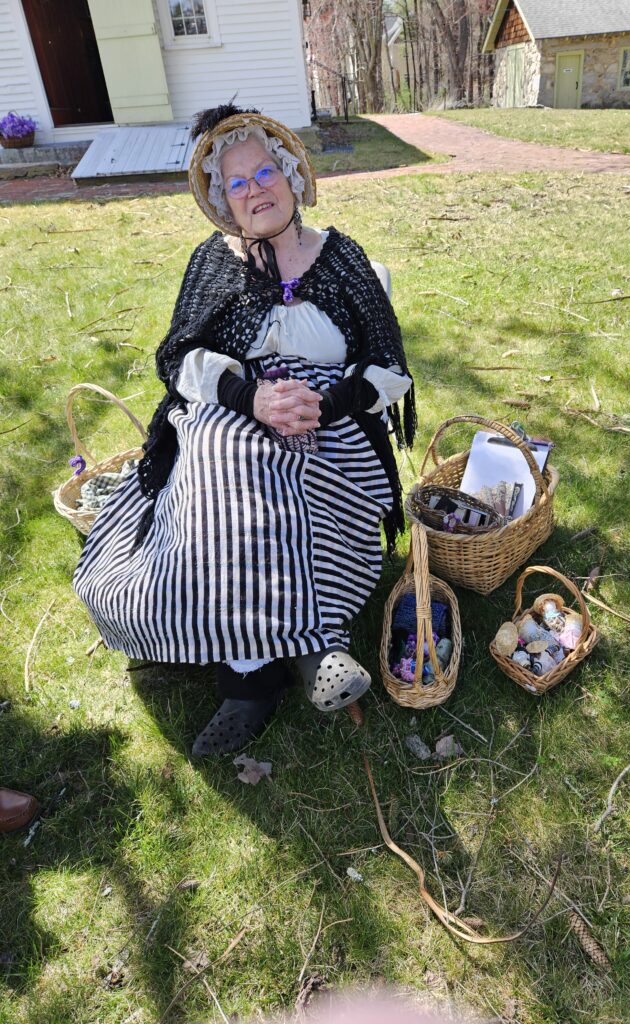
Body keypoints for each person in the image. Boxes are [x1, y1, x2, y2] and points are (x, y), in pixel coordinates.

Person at [73, 104, 416, 756]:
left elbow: (389, 367)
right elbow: (180, 359)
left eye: (265, 173)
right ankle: (287, 662)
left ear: (292, 177)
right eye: (237, 182)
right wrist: (248, 396)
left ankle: (263, 668)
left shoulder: (343, 259)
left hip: (330, 424)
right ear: (223, 201)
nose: (255, 189)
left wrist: (330, 404)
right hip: (233, 415)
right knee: (231, 481)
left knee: (303, 481)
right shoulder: (213, 262)